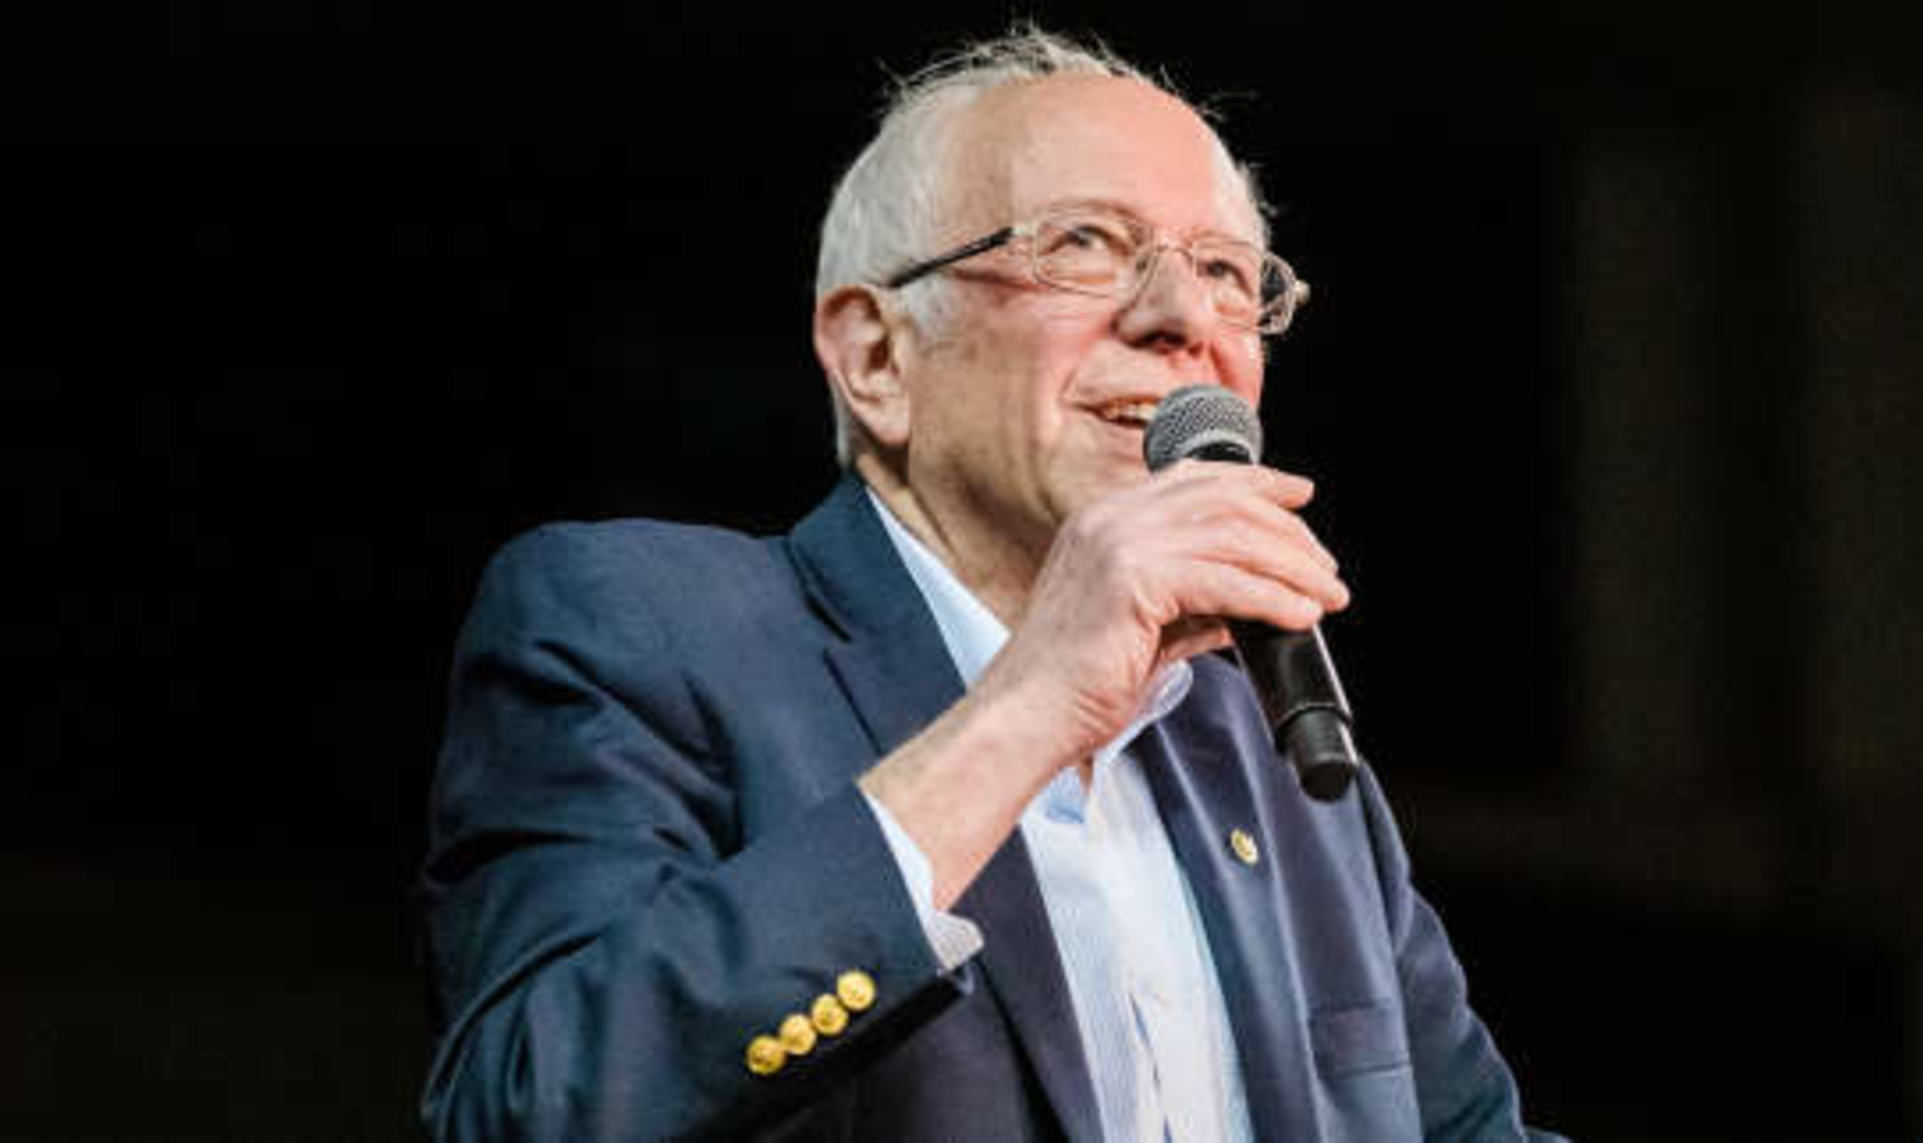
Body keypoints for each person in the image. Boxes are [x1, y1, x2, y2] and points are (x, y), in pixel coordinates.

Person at [419, 26, 1552, 1142]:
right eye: (1086, 243)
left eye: (1221, 271)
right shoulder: (641, 628)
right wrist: (1029, 704)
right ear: (877, 358)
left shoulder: (1269, 740)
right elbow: (534, 1105)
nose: (1181, 319)